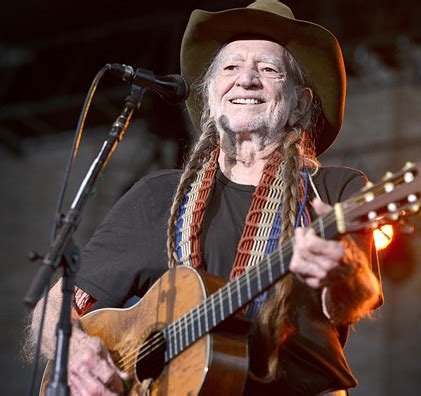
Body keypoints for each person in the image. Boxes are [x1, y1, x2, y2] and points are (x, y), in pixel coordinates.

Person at [30, 1, 382, 395]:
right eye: (230, 68)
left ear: (298, 104)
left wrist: (344, 273)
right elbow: (55, 304)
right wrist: (74, 351)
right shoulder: (157, 195)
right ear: (211, 95)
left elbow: (359, 296)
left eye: (268, 69)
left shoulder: (332, 190)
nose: (246, 79)